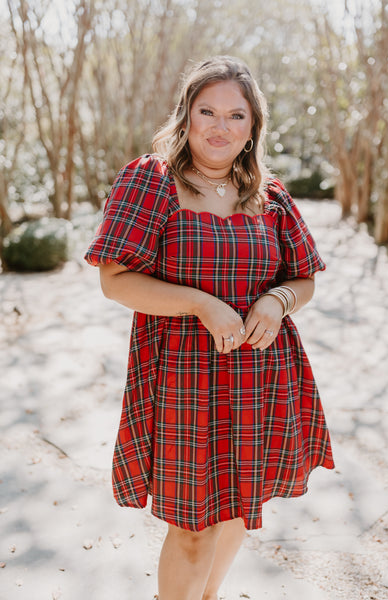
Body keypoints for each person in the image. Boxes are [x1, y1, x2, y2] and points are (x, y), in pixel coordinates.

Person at [85, 55, 334, 600]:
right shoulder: (150, 181)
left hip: (260, 375)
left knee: (236, 512)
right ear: (186, 117)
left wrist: (279, 298)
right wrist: (200, 303)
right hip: (183, 380)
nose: (221, 127)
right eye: (208, 111)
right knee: (192, 527)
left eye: (236, 116)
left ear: (253, 127)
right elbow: (115, 280)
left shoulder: (270, 196)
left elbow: (306, 279)